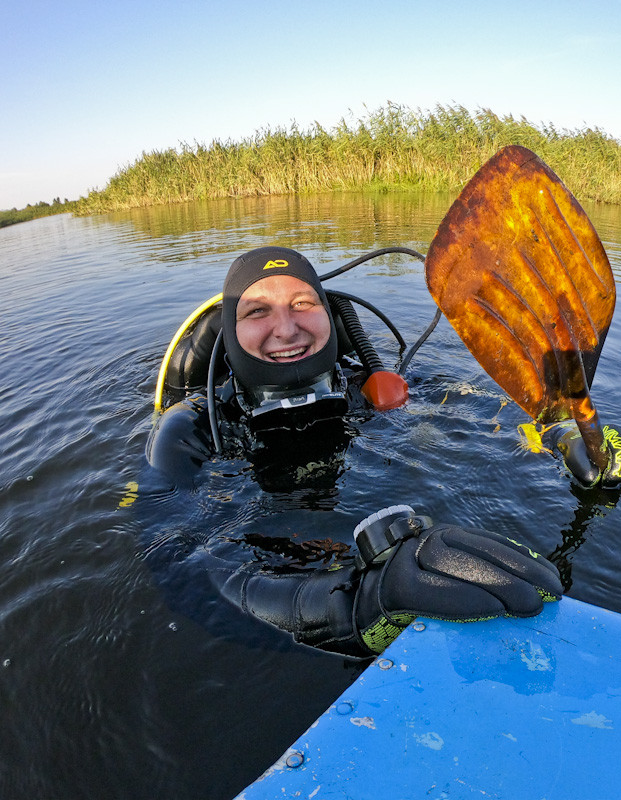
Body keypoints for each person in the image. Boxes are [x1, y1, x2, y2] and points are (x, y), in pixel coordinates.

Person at [146, 246, 565, 658]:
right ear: (230, 334)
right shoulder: (193, 428)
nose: (287, 329)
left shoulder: (374, 389)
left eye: (302, 303)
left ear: (329, 315)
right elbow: (178, 563)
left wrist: (562, 437)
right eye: (257, 311)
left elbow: (483, 410)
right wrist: (353, 607)